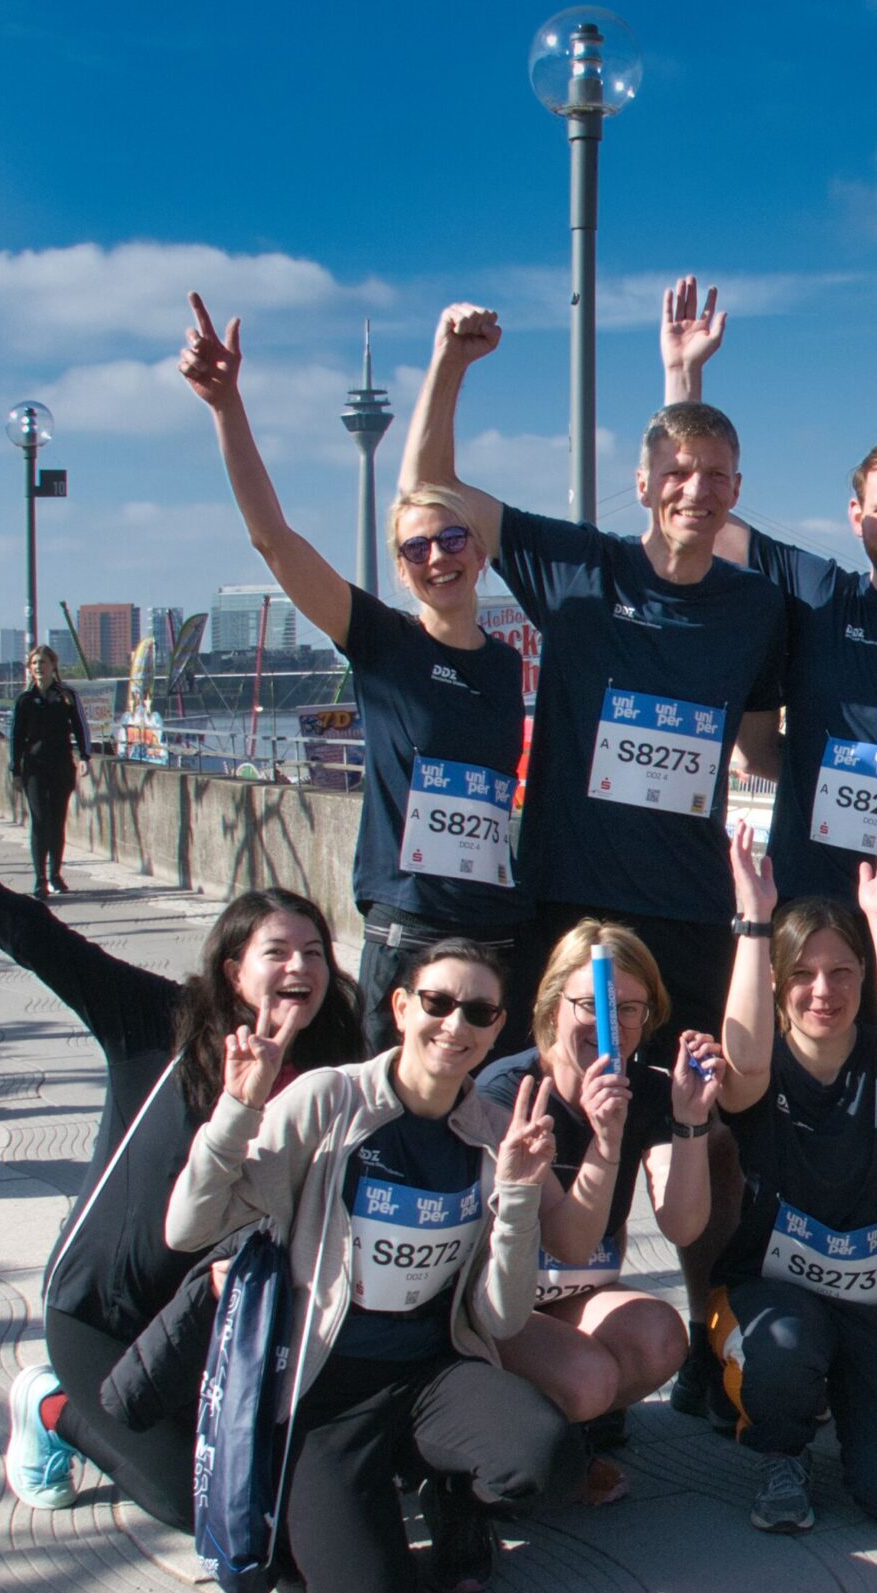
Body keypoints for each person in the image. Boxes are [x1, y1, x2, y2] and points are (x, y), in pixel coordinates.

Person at [404, 301, 785, 1416]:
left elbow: (763, 739)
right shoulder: (575, 570)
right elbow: (429, 489)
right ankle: (506, 1332)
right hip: (567, 913)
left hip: (686, 919)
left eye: (718, 475)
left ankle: (709, 1347)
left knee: (700, 1133)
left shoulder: (755, 606)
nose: (696, 489)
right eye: (677, 471)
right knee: (544, 1123)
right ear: (642, 481)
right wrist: (448, 364)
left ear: (736, 488)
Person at [0, 790, 363, 1525]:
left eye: (314, 952)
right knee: (192, 1500)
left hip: (221, 1313)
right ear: (231, 970)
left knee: (263, 1472)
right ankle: (50, 1404)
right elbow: (45, 943)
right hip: (104, 1313)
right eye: (276, 951)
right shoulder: (160, 1027)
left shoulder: (339, 1063)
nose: (299, 966)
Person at [661, 280, 877, 1302]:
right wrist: (686, 378)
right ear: (854, 513)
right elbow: (708, 516)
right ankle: (726, 1309)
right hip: (812, 913)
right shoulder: (816, 594)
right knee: (750, 1104)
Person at [165, 942, 579, 1593]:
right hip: (325, 1393)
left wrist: (516, 1194)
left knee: (542, 1454)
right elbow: (189, 1226)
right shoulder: (330, 1101)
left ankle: (448, 1491)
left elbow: (503, 1318)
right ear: (400, 1007)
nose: (455, 1025)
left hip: (429, 1373)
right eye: (438, 1002)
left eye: (478, 1012)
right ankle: (327, 1515)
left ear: (497, 1027)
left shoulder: (490, 1131)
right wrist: (238, 1107)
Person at [182, 295, 531, 1049]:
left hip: (499, 937)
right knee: (384, 1128)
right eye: (415, 548)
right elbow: (274, 540)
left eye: (451, 538)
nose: (437, 555)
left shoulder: (509, 666)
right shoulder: (384, 643)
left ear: (478, 548)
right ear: (402, 572)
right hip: (410, 933)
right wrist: (225, 406)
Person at [709, 821, 877, 1533]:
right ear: (779, 984)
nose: (824, 989)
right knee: (784, 1354)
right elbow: (744, 1058)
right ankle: (782, 1447)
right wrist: (755, 921)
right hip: (776, 1297)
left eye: (842, 970)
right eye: (804, 974)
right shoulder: (757, 1073)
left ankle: (856, 1393)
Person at [476, 917, 718, 1486]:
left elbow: (684, 1226)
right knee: (588, 1381)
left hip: (575, 1295)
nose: (610, 1024)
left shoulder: (648, 1090)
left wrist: (689, 1121)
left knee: (661, 1337)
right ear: (553, 1004)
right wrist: (606, 1143)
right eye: (591, 1005)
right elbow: (569, 1239)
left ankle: (567, 1421)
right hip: (499, 1309)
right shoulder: (510, 1093)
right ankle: (522, 1427)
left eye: (630, 1009)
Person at [8, 644, 92, 899]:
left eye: (43, 662)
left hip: (61, 765)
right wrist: (15, 769)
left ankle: (56, 873)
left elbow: (80, 726)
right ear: (30, 668)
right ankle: (40, 879)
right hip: (34, 767)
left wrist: (85, 756)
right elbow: (16, 736)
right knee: (39, 821)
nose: (39, 667)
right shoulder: (24, 699)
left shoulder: (66, 695)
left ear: (53, 666)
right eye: (34, 663)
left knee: (57, 821)